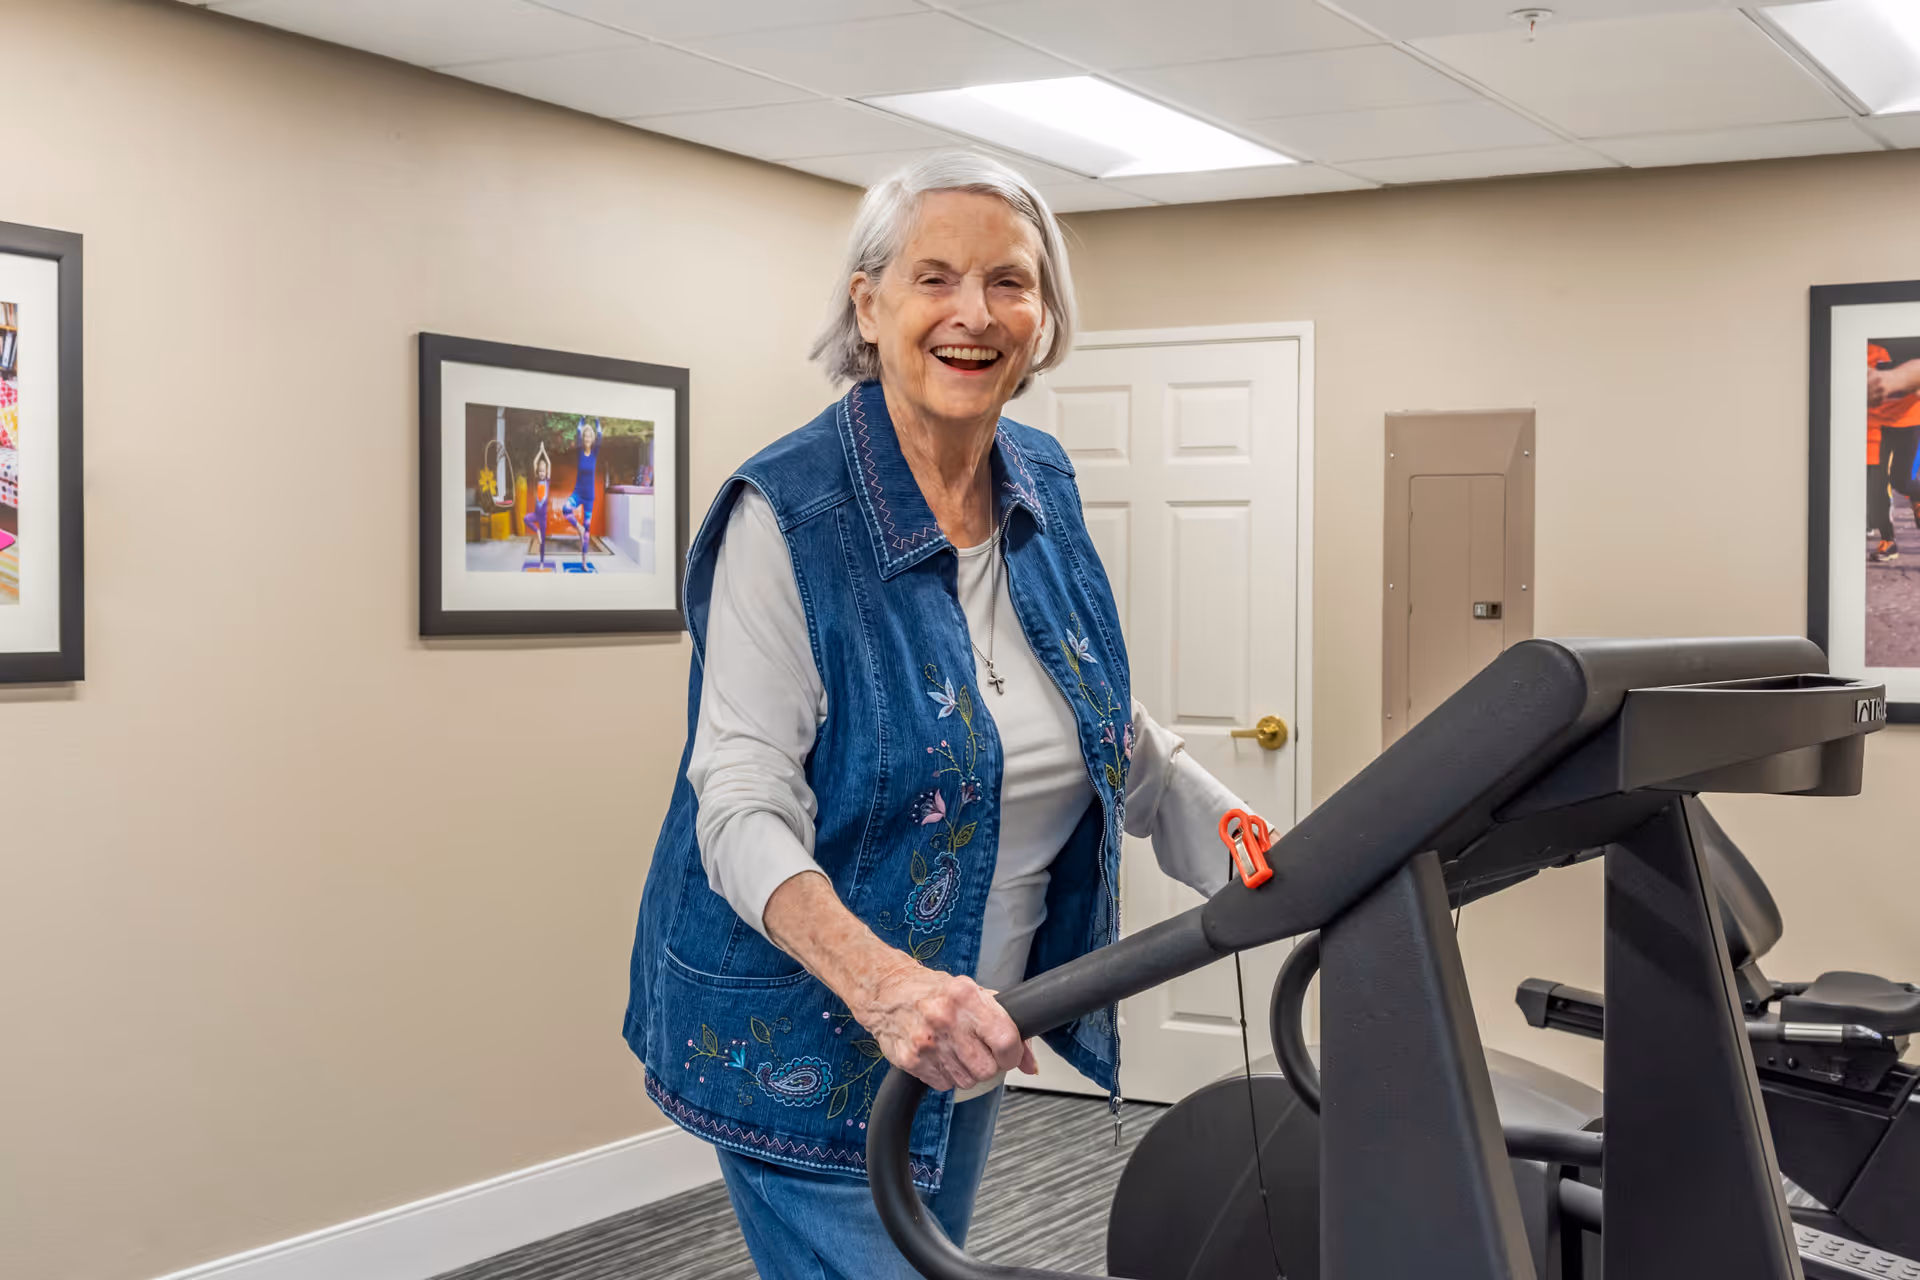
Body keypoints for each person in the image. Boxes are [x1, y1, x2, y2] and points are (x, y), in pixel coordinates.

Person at [622, 152, 1254, 1279]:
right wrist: (886, 983)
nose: (974, 313)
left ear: (1044, 314)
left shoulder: (1040, 482)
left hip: (967, 1024)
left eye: (1010, 281)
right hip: (809, 1030)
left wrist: (1270, 859)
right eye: (935, 278)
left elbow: (1108, 722)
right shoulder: (789, 519)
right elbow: (739, 803)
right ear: (868, 305)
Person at [1868, 342, 1920, 563]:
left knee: (1901, 481)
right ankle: (1888, 540)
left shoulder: (1901, 337)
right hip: (1871, 426)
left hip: (1907, 421)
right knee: (1873, 487)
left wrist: (1889, 381)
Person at [561, 416, 598, 567]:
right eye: (585, 436)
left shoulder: (595, 453)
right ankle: (579, 528)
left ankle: (584, 561)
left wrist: (596, 420)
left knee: (588, 530)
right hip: (578, 493)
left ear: (592, 438)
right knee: (565, 509)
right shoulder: (579, 452)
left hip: (589, 497)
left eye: (589, 435)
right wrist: (582, 418)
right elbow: (577, 430)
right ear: (582, 439)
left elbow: (600, 433)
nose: (587, 438)